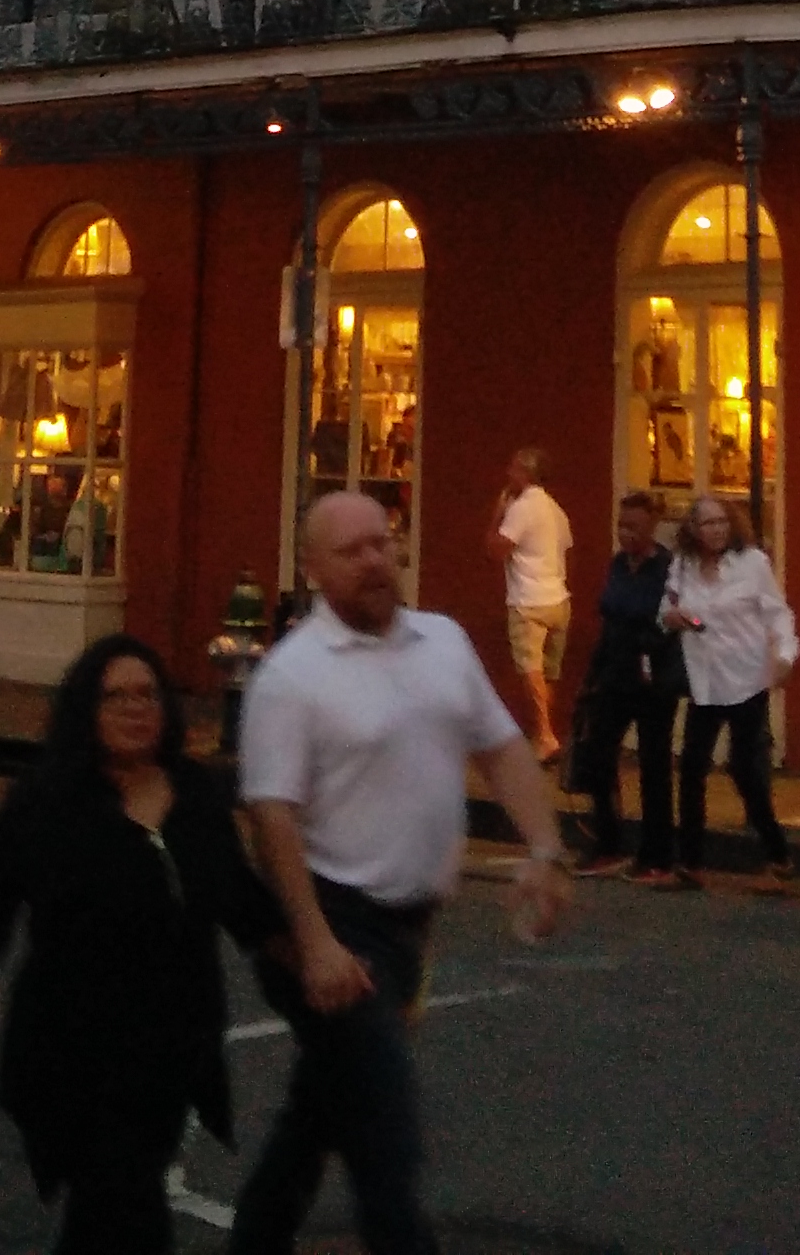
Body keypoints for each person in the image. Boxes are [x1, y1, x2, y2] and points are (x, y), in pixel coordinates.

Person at [231, 489, 567, 1255]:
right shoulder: (292, 676)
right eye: (350, 551)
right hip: (334, 925)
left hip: (408, 930)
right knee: (386, 1136)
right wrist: (315, 945)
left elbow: (502, 748)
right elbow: (271, 818)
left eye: (381, 543)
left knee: (318, 1115)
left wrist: (544, 849)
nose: (374, 560)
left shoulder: (443, 642)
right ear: (313, 569)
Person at [0, 635, 285, 1255]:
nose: (136, 708)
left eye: (147, 695)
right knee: (128, 1209)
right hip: (72, 1056)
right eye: (116, 697)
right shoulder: (45, 803)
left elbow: (241, 902)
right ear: (87, 708)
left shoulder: (195, 795)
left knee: (104, 1220)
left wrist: (318, 959)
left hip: (166, 1060)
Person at [657, 490, 797, 896]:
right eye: (707, 523)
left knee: (744, 769)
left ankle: (777, 855)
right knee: (692, 767)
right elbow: (666, 608)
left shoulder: (752, 564)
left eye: (721, 521)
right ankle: (691, 863)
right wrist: (672, 617)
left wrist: (785, 655)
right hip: (705, 680)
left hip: (746, 678)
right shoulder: (682, 566)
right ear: (692, 529)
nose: (716, 530)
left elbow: (778, 613)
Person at [569, 494, 683, 878]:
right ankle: (608, 842)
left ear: (652, 526)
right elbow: (608, 622)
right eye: (621, 526)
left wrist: (650, 647)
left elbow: (671, 624)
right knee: (597, 755)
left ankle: (656, 854)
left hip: (652, 680)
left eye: (634, 527)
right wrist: (592, 675)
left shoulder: (667, 569)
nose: (625, 533)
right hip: (614, 674)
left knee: (654, 765)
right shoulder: (618, 565)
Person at [484, 448, 572, 760]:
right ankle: (543, 734)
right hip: (558, 598)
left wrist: (497, 515)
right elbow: (564, 546)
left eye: (514, 468)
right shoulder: (555, 509)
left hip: (528, 599)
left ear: (525, 473)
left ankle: (545, 735)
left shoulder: (522, 507)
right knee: (548, 673)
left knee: (530, 670)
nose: (508, 473)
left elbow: (496, 549)